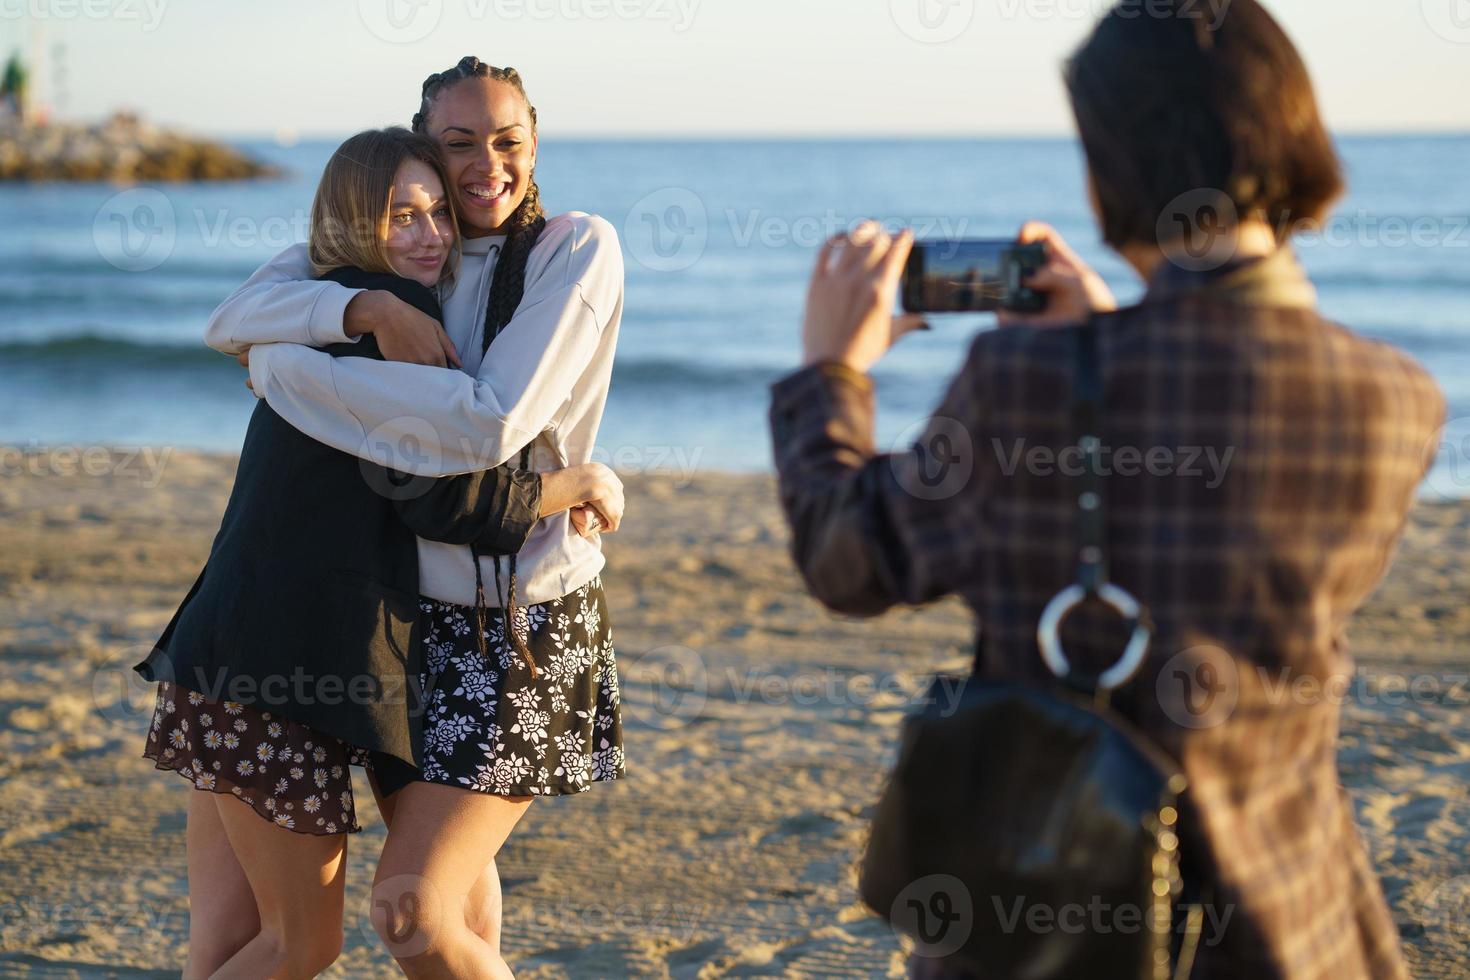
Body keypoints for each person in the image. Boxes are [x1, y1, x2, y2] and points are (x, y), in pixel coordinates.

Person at [768, 2, 1445, 977]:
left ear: (1105, 170)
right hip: (1285, 916)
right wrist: (1105, 333)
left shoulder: (1022, 383)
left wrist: (832, 373)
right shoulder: (1398, 400)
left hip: (1054, 916)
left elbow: (850, 559)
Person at [134, 127, 620, 978]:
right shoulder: (380, 324)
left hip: (228, 654)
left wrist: (349, 315)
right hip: (278, 668)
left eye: (437, 211)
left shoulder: (323, 302)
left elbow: (233, 323)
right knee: (299, 945)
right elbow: (444, 492)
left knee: (227, 949)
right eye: (403, 215)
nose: (431, 233)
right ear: (357, 224)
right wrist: (578, 485)